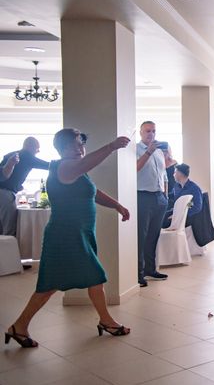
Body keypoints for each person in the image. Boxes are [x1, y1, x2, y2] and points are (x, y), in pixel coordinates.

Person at [4, 129, 131, 348]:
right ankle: (20, 325)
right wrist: (111, 146)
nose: (81, 149)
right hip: (65, 235)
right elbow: (87, 164)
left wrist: (117, 205)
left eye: (82, 145)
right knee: (73, 279)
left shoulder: (75, 170)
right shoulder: (63, 166)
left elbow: (92, 191)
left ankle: (20, 326)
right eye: (75, 145)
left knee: (78, 280)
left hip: (79, 233)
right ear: (62, 148)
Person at [136, 121, 169, 287]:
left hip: (159, 198)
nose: (151, 134)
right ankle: (138, 273)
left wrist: (165, 195)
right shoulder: (135, 150)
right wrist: (148, 152)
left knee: (153, 236)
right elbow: (134, 168)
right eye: (147, 131)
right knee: (141, 236)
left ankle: (150, 269)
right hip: (142, 197)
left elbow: (163, 174)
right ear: (141, 132)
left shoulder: (159, 152)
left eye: (153, 131)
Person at [0, 137, 50, 236]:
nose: (38, 151)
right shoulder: (27, 156)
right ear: (29, 146)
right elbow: (47, 165)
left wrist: (17, 185)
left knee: (1, 229)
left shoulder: (10, 155)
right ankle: (9, 251)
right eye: (37, 148)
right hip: (5, 194)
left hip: (3, 191)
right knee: (9, 231)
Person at [162, 163, 203, 228]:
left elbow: (197, 206)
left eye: (175, 172)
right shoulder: (176, 187)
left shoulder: (194, 188)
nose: (173, 175)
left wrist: (180, 215)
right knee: (160, 217)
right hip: (177, 212)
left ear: (180, 174)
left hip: (188, 216)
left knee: (164, 222)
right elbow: (171, 197)